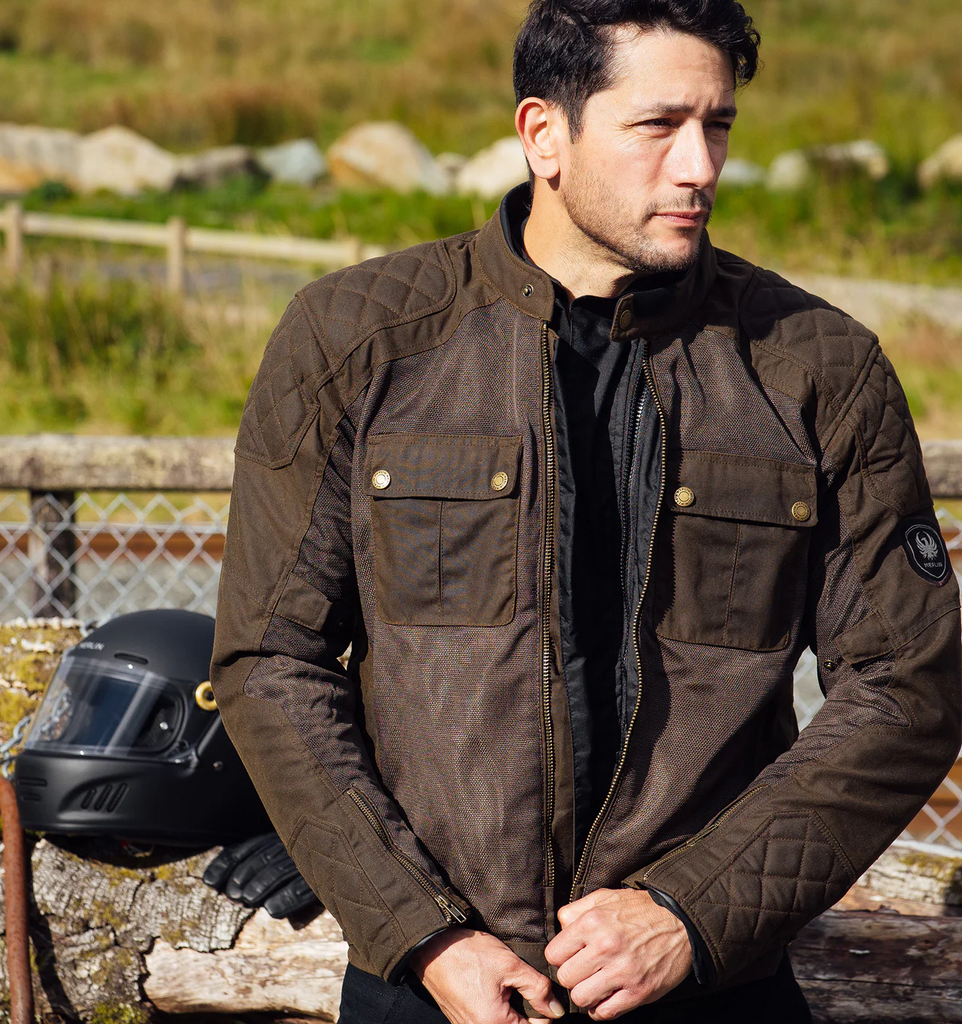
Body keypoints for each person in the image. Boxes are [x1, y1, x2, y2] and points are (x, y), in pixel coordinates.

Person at [210, 1, 962, 1021]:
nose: (699, 166)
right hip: (438, 986)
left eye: (719, 125)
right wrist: (423, 931)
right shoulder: (355, 340)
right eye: (658, 125)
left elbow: (907, 683)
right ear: (543, 135)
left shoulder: (816, 366)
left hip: (710, 987)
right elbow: (271, 661)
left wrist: (691, 913)